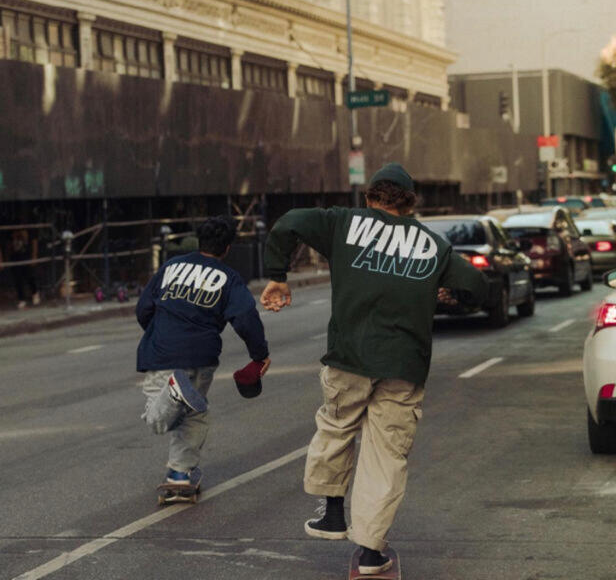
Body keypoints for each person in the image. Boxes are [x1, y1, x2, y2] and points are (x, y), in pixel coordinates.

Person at [260, 163, 489, 575]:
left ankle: (331, 514)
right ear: (411, 204)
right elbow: (477, 284)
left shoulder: (343, 223)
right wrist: (449, 295)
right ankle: (370, 553)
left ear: (369, 198)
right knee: (387, 456)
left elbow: (288, 223)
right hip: (404, 366)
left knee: (337, 425)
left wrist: (278, 276)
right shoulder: (432, 245)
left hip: (348, 356)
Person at [136, 215, 270, 497]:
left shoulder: (171, 266)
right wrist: (260, 355)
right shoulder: (229, 278)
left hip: (163, 351)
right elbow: (245, 317)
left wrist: (159, 331)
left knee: (158, 417)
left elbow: (144, 308)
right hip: (202, 355)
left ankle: (173, 395)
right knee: (194, 414)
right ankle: (179, 474)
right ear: (228, 248)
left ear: (199, 240)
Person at [2, 228, 41, 309]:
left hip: (26, 256)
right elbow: (8, 245)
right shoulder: (10, 233)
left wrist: (34, 256)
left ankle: (35, 293)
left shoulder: (27, 231)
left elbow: (33, 241)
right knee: (18, 279)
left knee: (30, 276)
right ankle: (22, 299)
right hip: (15, 257)